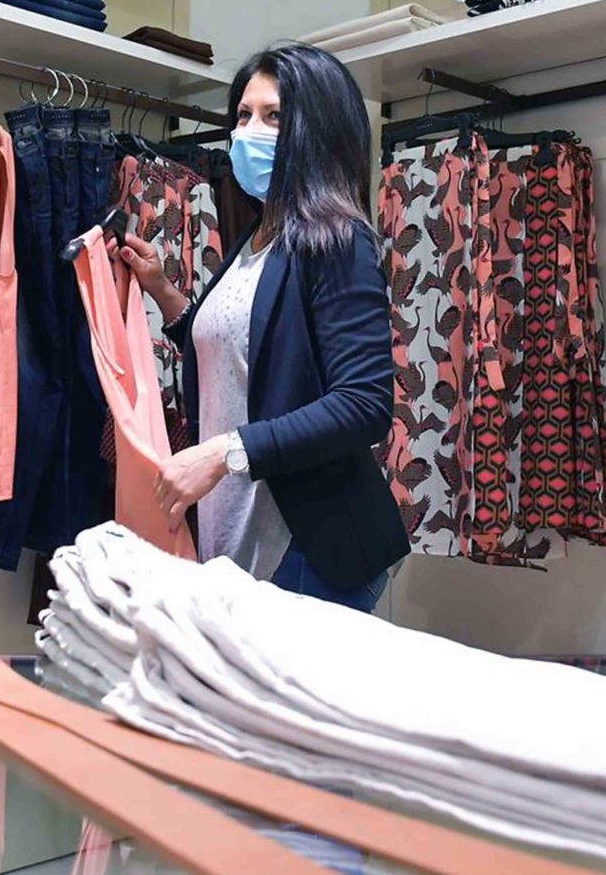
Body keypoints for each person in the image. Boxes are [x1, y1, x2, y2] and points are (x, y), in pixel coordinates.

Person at [109, 42, 406, 612]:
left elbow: (364, 403)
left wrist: (223, 453)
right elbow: (248, 358)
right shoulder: (258, 236)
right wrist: (164, 293)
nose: (248, 131)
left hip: (305, 546)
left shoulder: (338, 241)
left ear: (316, 130)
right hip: (238, 533)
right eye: (243, 115)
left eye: (273, 117)